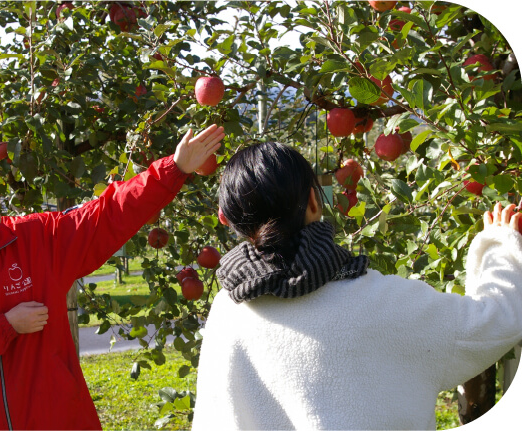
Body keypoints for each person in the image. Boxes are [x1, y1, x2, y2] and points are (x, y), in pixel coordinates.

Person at [0, 124, 225, 430]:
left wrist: (173, 168)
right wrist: (5, 326)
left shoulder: (36, 239)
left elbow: (106, 215)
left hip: (61, 418)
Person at [192, 141, 522, 430]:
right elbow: (495, 321)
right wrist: (500, 245)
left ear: (227, 218)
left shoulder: (227, 313)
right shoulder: (386, 303)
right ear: (313, 200)